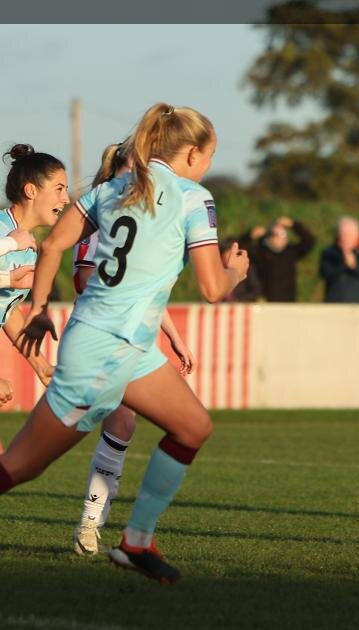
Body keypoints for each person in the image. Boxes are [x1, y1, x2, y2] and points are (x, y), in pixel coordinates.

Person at [0, 103, 249, 585]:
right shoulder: (193, 198)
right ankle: (134, 539)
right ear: (191, 153)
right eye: (210, 155)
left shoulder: (111, 189)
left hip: (122, 344)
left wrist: (41, 307)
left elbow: (53, 246)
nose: (209, 165)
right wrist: (235, 270)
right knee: (20, 466)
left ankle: (136, 542)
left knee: (193, 427)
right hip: (105, 349)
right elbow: (213, 288)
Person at [69, 141, 197, 557]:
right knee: (79, 429)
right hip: (101, 335)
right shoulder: (101, 214)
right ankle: (97, 524)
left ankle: (93, 523)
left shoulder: (141, 217)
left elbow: (146, 288)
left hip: (131, 337)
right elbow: (84, 280)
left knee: (121, 426)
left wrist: (174, 337)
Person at [0, 144, 62, 390]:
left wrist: (41, 366)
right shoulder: (3, 231)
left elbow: (6, 308)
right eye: (59, 189)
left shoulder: (28, 247)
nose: (66, 199)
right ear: (31, 191)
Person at [238, 215, 313, 302]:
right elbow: (239, 249)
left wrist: (293, 224)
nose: (277, 237)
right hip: (266, 302)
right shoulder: (261, 252)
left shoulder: (291, 252)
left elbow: (309, 240)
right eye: (273, 234)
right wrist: (249, 236)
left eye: (281, 234)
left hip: (288, 302)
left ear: (286, 238)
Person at [319, 216, 359, 303]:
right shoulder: (329, 252)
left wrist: (355, 266)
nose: (345, 237)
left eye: (349, 234)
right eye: (343, 233)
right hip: (335, 305)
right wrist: (343, 265)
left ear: (358, 234)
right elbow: (325, 274)